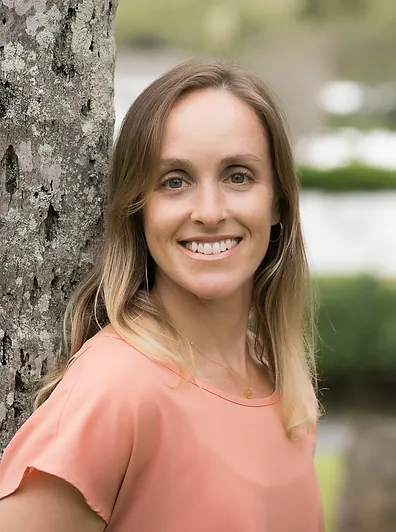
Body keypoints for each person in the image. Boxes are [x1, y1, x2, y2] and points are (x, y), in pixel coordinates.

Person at [0, 58, 324, 531]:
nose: (210, 212)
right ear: (139, 208)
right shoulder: (115, 389)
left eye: (238, 175)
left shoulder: (284, 386)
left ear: (277, 202)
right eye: (175, 181)